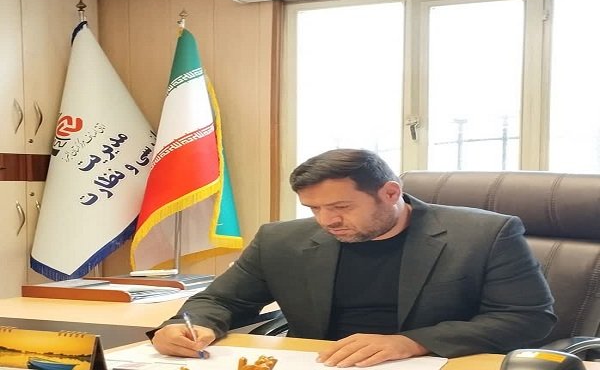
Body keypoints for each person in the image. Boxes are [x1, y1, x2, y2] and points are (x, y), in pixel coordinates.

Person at [150, 148, 556, 367]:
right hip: (322, 364)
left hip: (433, 364)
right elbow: (222, 300)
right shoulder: (280, 240)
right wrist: (188, 326)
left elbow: (527, 317)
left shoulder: (485, 235)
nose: (327, 221)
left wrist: (412, 342)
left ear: (390, 193)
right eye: (314, 208)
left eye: (341, 207)